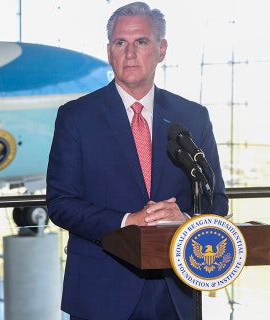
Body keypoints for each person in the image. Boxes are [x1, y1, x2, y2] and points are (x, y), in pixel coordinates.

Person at [46, 2, 228, 319]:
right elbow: (61, 203)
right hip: (101, 291)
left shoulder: (193, 118)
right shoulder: (76, 117)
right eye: (121, 43)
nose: (129, 53)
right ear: (109, 50)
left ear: (162, 49)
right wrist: (128, 220)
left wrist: (183, 216)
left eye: (141, 42)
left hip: (175, 292)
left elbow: (217, 201)